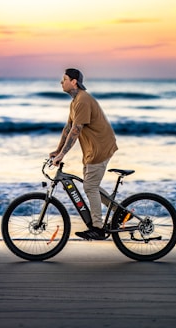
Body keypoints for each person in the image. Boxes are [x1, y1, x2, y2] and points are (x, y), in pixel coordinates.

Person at [50, 68, 118, 240]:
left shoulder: (83, 100)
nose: (61, 82)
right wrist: (58, 151)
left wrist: (62, 156)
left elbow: (76, 131)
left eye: (64, 79)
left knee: (90, 186)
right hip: (91, 150)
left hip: (99, 148)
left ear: (74, 82)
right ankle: (120, 213)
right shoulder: (75, 102)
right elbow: (68, 129)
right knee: (91, 184)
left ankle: (98, 228)